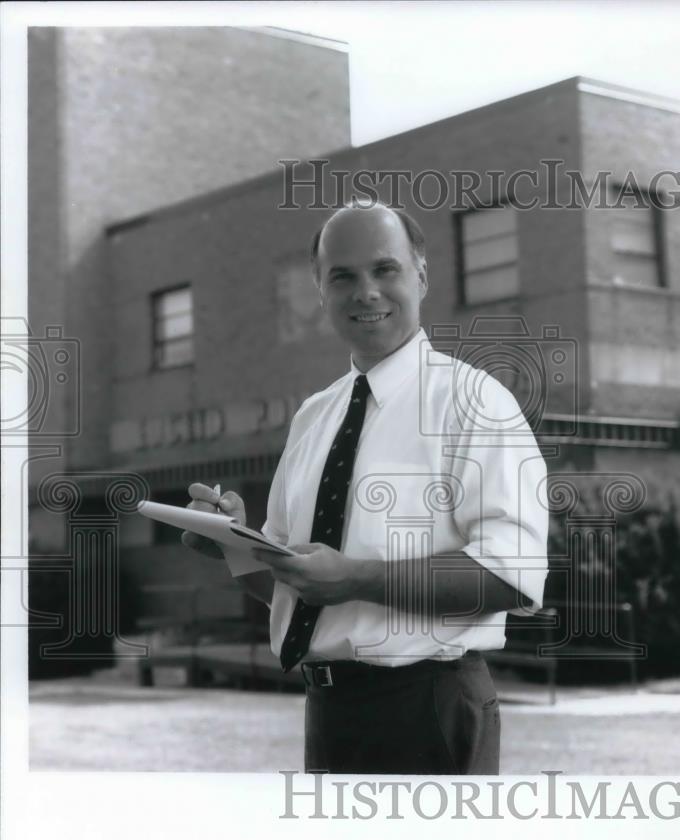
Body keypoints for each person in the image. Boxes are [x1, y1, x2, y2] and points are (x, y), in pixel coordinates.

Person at [183, 202, 548, 775]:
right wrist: (231, 546)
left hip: (430, 711)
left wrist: (354, 576)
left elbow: (512, 573)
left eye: (385, 270)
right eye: (343, 276)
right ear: (320, 291)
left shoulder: (475, 402)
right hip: (329, 713)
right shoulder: (313, 416)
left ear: (421, 276)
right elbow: (298, 587)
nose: (366, 292)